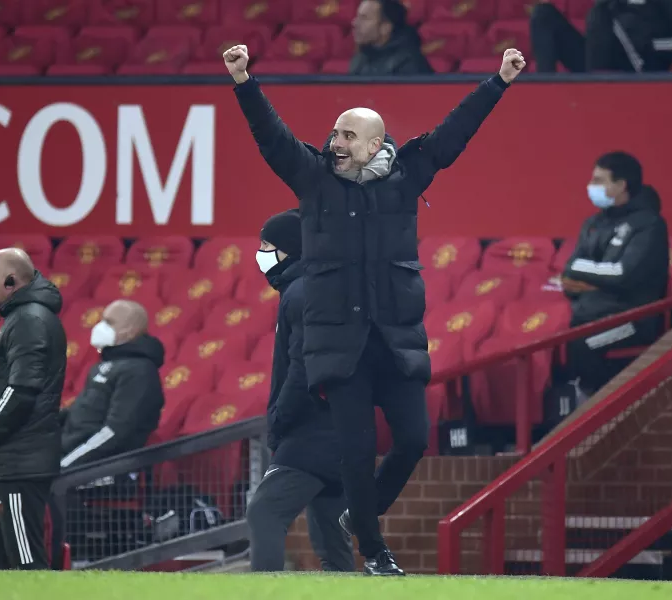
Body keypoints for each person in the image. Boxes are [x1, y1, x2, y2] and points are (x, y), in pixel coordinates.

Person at [224, 43, 525, 575]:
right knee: (357, 454)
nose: (333, 141)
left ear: (374, 145)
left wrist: (497, 81)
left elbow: (454, 135)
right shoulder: (315, 181)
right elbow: (272, 141)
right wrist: (244, 81)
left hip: (394, 340)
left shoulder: (407, 178)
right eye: (334, 133)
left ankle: (357, 520)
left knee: (412, 438)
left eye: (346, 135)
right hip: (340, 348)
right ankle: (376, 550)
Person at [246, 209, 354, 573]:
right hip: (340, 427)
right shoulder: (314, 287)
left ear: (289, 249)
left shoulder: (301, 292)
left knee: (265, 511)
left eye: (266, 244)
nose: (259, 252)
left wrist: (278, 419)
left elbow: (304, 367)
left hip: (313, 430)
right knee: (330, 538)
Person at [0, 248, 67, 570]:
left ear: (11, 282)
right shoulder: (20, 318)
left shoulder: (29, 320)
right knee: (4, 565)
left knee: (26, 566)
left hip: (19, 464)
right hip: (9, 463)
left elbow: (21, 391)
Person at [561, 151, 669, 396]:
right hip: (592, 313)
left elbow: (622, 274)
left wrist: (587, 276)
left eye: (599, 181)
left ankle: (595, 415)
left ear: (621, 186)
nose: (591, 187)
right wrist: (598, 280)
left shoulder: (649, 225)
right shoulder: (593, 224)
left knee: (583, 345)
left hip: (633, 319)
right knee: (559, 338)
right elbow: (569, 273)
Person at [60, 299, 165, 468]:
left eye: (109, 322)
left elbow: (115, 432)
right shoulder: (101, 367)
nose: (100, 327)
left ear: (130, 331)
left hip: (100, 469)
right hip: (72, 457)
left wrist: (64, 466)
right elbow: (82, 413)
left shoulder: (140, 372)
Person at [530, 0, 672, 73]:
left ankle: (595, 95)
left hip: (641, 65)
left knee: (599, 15)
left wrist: (645, 44)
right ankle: (544, 93)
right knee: (543, 14)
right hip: (601, 62)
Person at [349, 0, 432, 76]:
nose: (355, 23)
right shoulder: (361, 58)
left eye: (364, 18)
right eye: (358, 17)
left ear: (385, 27)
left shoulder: (409, 64)